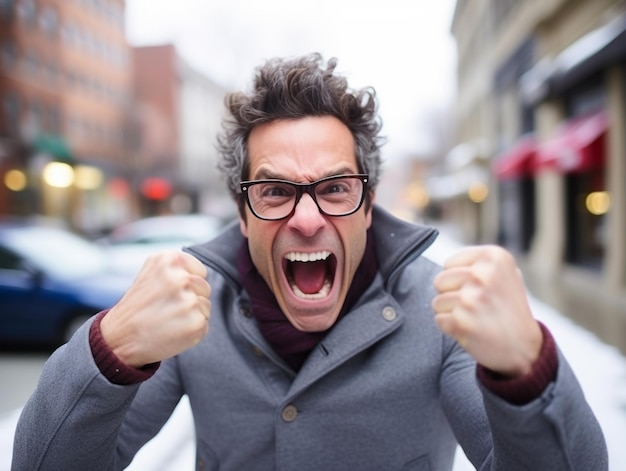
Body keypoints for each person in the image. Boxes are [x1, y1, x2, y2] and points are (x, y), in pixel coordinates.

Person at [12, 53, 607, 471]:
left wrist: (528, 373)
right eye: (274, 191)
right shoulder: (194, 316)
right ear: (243, 214)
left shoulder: (441, 315)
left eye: (335, 187)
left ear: (368, 204)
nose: (305, 218)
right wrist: (107, 352)